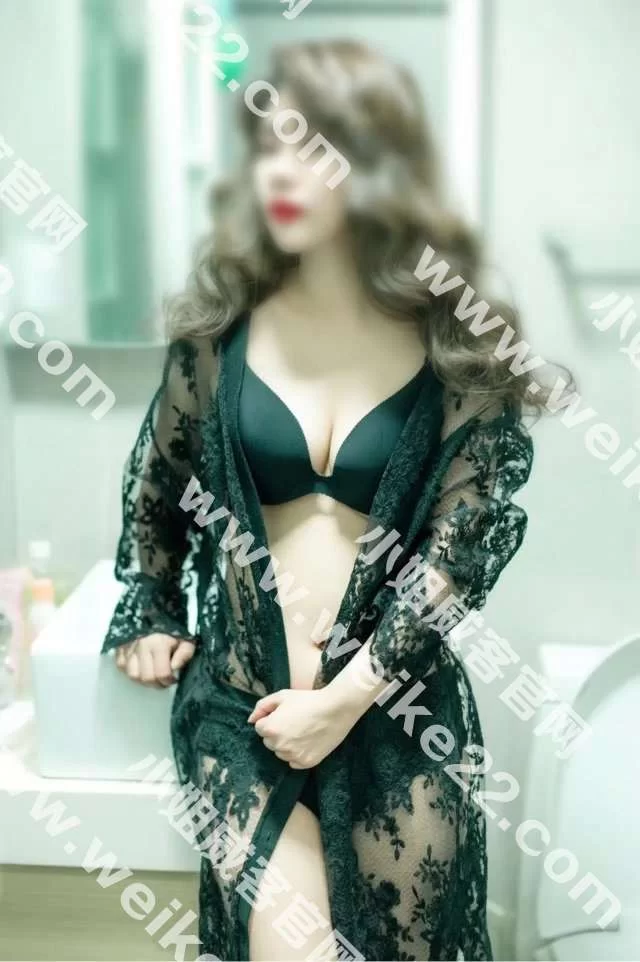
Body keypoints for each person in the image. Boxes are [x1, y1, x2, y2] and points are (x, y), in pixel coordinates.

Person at [101, 39, 555, 962]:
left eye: (308, 147)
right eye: (265, 148)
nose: (279, 172)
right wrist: (149, 605)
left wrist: (346, 699)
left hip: (398, 710)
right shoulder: (219, 335)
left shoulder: (454, 343)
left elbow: (461, 548)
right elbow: (160, 486)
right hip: (243, 711)